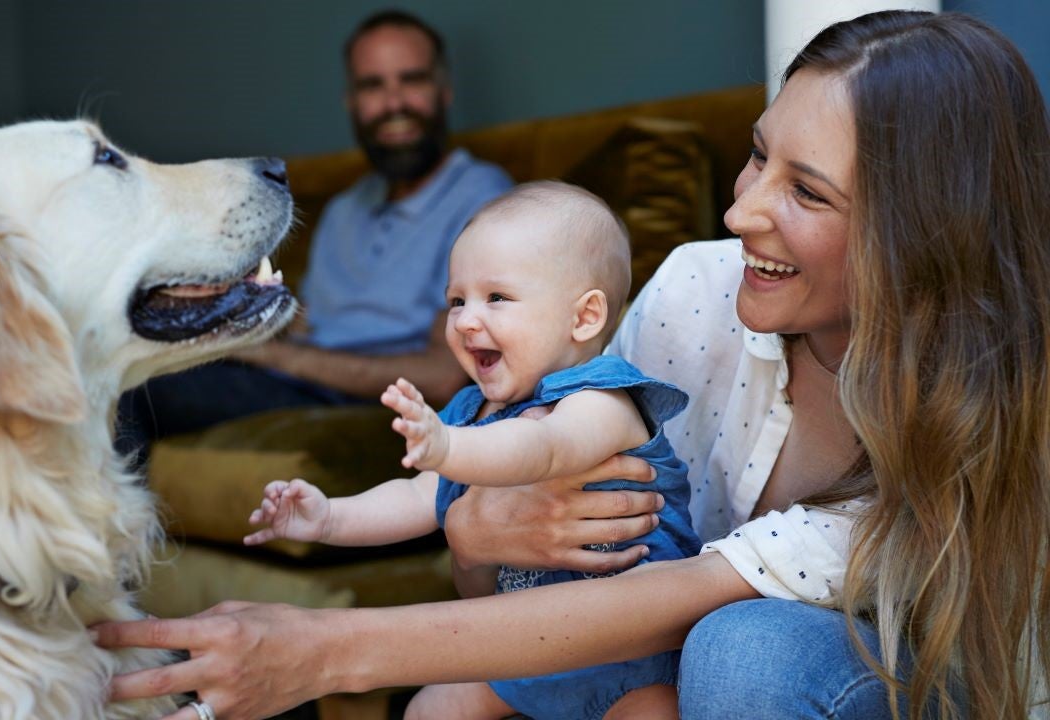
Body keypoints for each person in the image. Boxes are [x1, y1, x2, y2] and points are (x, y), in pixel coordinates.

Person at [96, 11, 1050, 720]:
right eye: (757, 159)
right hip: (654, 648)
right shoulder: (693, 294)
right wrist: (478, 534)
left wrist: (325, 651)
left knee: (745, 650)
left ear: (917, 237)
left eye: (805, 191)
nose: (741, 211)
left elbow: (671, 605)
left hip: (912, 687)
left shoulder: (975, 410)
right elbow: (537, 567)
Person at [244, 182, 701, 720]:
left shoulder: (602, 399)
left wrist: (449, 446)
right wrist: (328, 519)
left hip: (633, 655)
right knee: (428, 710)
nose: (464, 320)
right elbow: (418, 499)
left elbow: (543, 447)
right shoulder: (472, 412)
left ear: (584, 318)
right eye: (456, 300)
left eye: (496, 298)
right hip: (526, 650)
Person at [115, 10, 512, 460]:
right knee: (121, 366)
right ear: (352, 102)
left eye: (412, 80)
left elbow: (445, 374)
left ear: (444, 92)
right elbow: (310, 322)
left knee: (132, 393)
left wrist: (268, 356)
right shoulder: (344, 209)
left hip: (359, 401)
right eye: (372, 86)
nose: (393, 102)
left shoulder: (484, 198)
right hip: (288, 380)